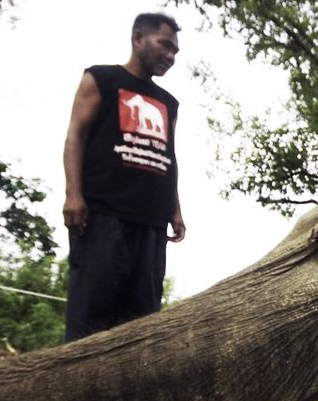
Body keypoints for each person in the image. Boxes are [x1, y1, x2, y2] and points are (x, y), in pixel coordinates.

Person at [62, 13, 185, 342]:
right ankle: (78, 376)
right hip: (104, 214)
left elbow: (168, 155)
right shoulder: (101, 79)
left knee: (141, 321)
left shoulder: (168, 103)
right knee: (92, 314)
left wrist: (175, 210)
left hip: (152, 222)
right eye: (165, 45)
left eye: (175, 51)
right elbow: (75, 136)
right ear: (138, 38)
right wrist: (73, 194)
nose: (170, 56)